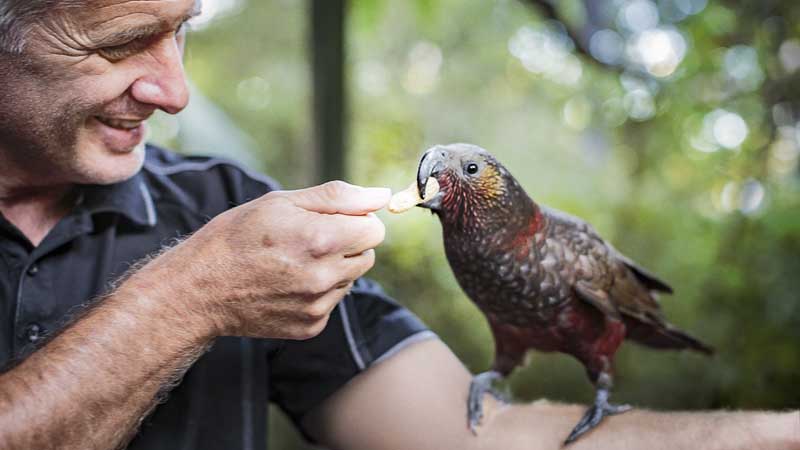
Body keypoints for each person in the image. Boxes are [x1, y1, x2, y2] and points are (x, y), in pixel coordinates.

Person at [0, 1, 796, 449]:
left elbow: (475, 438)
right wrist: (188, 297)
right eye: (118, 46)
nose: (177, 94)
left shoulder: (232, 211)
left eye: (181, 31)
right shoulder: (223, 253)